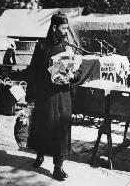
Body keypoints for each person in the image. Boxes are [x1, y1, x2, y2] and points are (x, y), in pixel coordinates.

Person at [26, 13, 81, 181]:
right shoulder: (41, 46)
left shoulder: (68, 48)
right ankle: (40, 154)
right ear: (54, 27)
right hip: (45, 95)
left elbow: (78, 72)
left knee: (61, 129)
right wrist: (30, 95)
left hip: (63, 96)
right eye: (63, 28)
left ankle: (58, 167)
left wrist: (73, 75)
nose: (66, 32)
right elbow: (33, 71)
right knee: (42, 125)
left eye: (67, 28)